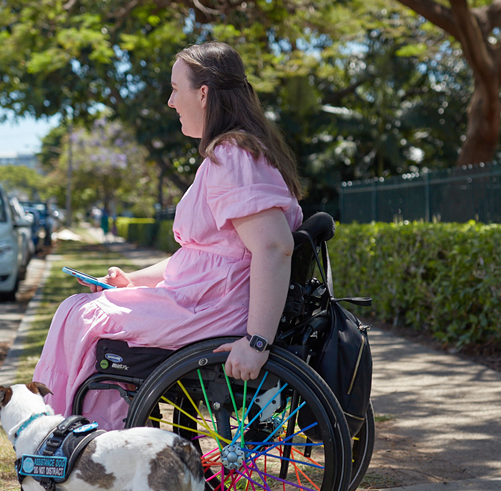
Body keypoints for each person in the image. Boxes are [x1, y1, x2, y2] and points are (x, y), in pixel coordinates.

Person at [32, 41, 304, 431]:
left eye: (176, 89)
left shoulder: (232, 155)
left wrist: (257, 341)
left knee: (83, 315)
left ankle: (81, 441)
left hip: (213, 309)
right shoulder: (233, 153)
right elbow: (204, 253)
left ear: (204, 93)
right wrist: (131, 282)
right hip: (201, 298)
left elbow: (274, 246)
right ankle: (89, 438)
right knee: (84, 309)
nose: (171, 101)